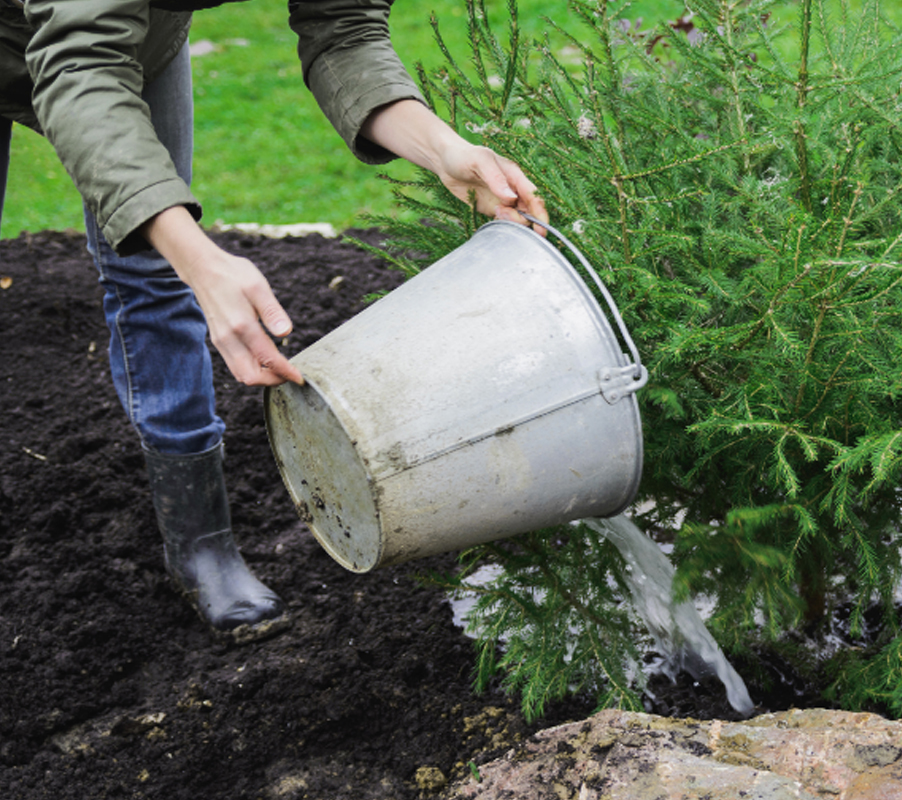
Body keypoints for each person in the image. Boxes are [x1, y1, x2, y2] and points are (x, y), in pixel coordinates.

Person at [0, 0, 546, 643]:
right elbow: (78, 65)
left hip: (130, 41)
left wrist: (445, 150)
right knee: (174, 248)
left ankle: (200, 543)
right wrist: (202, 263)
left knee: (151, 265)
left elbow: (343, 27)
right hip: (79, 47)